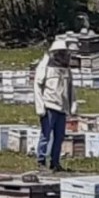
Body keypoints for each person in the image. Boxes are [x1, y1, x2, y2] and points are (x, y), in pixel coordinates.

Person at [33, 38, 77, 171]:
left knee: (59, 137)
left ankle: (55, 162)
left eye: (65, 53)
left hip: (62, 107)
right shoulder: (45, 66)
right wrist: (40, 106)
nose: (63, 56)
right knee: (46, 135)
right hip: (49, 106)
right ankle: (41, 161)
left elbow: (71, 89)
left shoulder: (66, 69)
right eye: (61, 53)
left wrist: (73, 105)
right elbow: (37, 86)